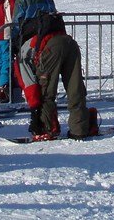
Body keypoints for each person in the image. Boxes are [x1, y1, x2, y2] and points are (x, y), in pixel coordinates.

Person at [17, 11, 91, 140]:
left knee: (46, 91)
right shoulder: (41, 35)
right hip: (70, 43)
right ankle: (79, 129)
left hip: (51, 48)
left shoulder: (22, 54)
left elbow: (30, 85)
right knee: (75, 87)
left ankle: (47, 128)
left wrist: (35, 110)